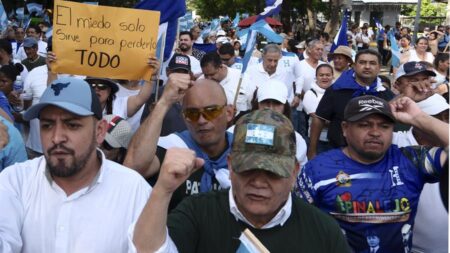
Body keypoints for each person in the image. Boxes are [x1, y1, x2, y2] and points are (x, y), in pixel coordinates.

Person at [131, 109, 351, 253]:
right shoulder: (197, 212)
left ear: (294, 172)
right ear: (230, 165)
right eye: (248, 169)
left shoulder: (323, 232)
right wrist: (162, 190)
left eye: (272, 172)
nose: (258, 182)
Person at [0, 77, 151, 252]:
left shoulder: (134, 191)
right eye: (47, 125)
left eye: (72, 125)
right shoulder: (15, 181)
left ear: (99, 131)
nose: (56, 138)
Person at [296, 95, 448, 252]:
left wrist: (419, 118)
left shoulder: (412, 161)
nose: (375, 132)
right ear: (345, 128)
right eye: (364, 125)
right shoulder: (317, 169)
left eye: (384, 126)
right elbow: (300, 228)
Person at [124, 78, 234, 210]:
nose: (201, 120)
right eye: (192, 114)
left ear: (229, 113)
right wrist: (164, 103)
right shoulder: (173, 147)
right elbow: (133, 166)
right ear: (183, 118)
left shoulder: (244, 152)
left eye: (211, 111)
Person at [308, 50, 394, 159]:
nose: (367, 67)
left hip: (374, 157)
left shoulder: (386, 94)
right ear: (354, 65)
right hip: (338, 153)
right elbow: (319, 119)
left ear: (379, 67)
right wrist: (312, 150)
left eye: (372, 63)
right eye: (362, 62)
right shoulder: (336, 89)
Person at [241, 44, 290, 111]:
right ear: (263, 57)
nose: (273, 64)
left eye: (276, 61)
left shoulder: (284, 73)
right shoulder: (250, 72)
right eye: (270, 60)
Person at [303, 64, 334, 155]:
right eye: (321, 75)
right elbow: (319, 119)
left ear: (332, 76)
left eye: (328, 75)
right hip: (318, 141)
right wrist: (337, 121)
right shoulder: (310, 94)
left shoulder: (338, 92)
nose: (325, 77)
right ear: (316, 77)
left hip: (335, 141)